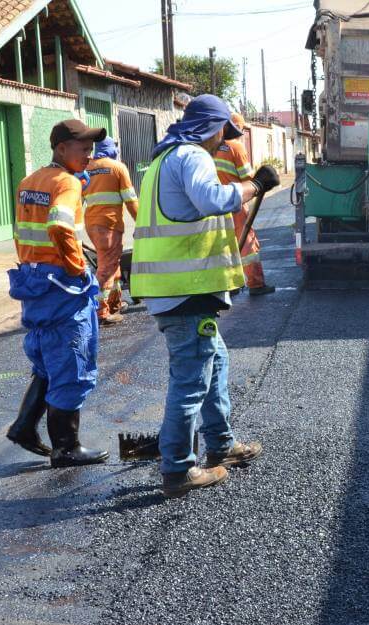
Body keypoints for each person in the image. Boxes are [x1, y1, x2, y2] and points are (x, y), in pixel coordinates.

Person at [129, 95, 281, 498]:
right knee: (192, 379)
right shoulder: (192, 156)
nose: (223, 142)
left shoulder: (162, 160)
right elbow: (212, 200)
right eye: (223, 133)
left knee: (215, 360)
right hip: (186, 290)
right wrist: (255, 184)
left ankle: (221, 444)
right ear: (212, 127)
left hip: (180, 290)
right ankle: (178, 469)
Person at [5, 119, 110, 468]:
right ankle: (66, 447)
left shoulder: (29, 181)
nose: (90, 155)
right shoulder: (66, 182)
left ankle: (24, 426)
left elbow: (21, 232)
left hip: (35, 280)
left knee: (49, 360)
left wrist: (32, 265)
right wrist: (78, 265)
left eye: (91, 149)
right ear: (61, 148)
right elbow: (60, 225)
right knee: (71, 361)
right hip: (61, 284)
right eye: (83, 148)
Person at [213, 112, 274, 296]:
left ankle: (229, 285)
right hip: (235, 204)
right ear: (237, 128)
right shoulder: (236, 148)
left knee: (222, 245)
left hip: (213, 204)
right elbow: (248, 179)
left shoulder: (208, 147)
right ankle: (255, 284)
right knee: (247, 245)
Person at [82, 137, 139, 324]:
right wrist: (141, 223)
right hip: (109, 225)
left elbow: (78, 199)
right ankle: (100, 311)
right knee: (106, 268)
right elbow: (130, 200)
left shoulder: (87, 168)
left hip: (92, 223)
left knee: (112, 263)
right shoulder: (117, 167)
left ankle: (115, 303)